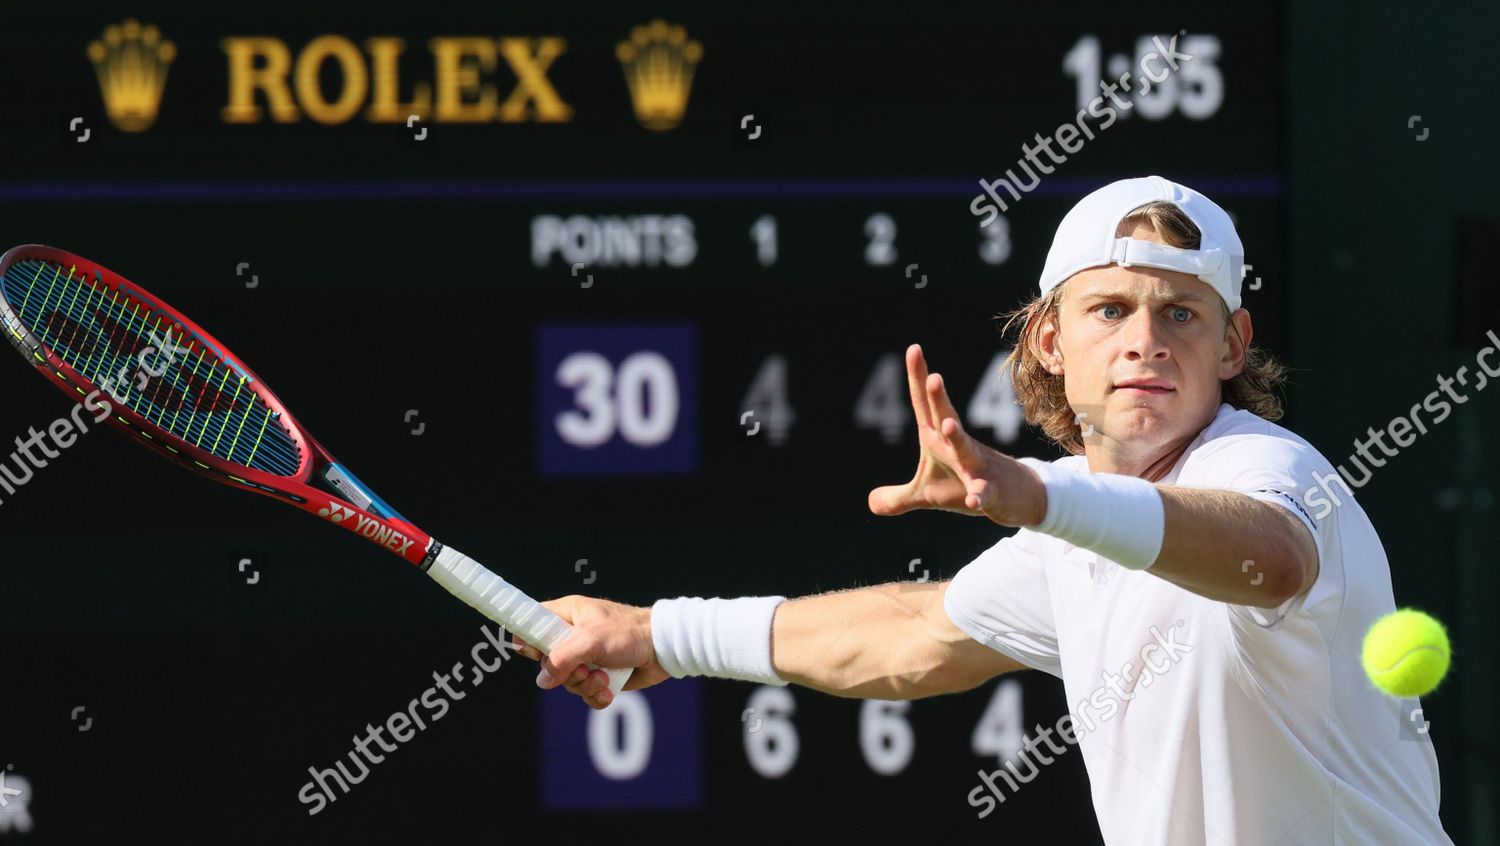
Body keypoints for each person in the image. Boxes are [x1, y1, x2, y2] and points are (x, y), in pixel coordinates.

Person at [514, 176, 1452, 844]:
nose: (1146, 342)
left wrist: (1040, 494)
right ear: (1048, 338)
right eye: (1109, 311)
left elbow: (1269, 560)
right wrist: (656, 633)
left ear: (1233, 345)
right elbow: (911, 638)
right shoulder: (1074, 530)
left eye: (1182, 315)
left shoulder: (1269, 466)